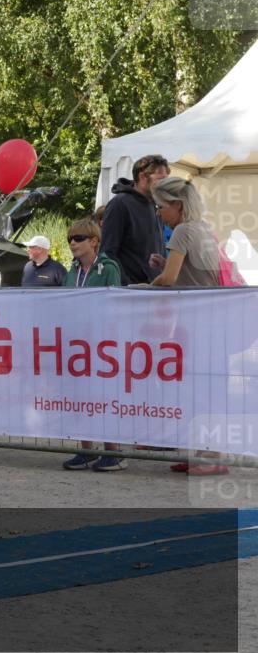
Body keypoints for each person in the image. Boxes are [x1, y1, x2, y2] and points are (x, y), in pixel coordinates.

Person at [147, 176, 229, 476]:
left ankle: (206, 457)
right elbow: (200, 275)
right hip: (214, 320)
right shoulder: (204, 229)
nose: (158, 212)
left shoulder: (182, 231)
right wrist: (164, 269)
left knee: (197, 389)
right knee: (208, 388)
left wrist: (146, 285)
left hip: (195, 323)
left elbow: (168, 279)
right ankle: (208, 455)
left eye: (161, 206)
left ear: (176, 205)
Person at [59, 219, 125, 472]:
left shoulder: (108, 268)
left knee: (105, 397)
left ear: (94, 241)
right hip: (77, 344)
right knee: (80, 398)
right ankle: (85, 450)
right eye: (70, 239)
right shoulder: (71, 271)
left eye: (78, 238)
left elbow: (115, 304)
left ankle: (114, 452)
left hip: (102, 345)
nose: (73, 243)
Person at [100, 154, 168, 285]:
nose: (165, 185)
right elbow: (107, 253)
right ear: (143, 176)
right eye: (161, 179)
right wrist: (128, 285)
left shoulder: (155, 205)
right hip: (130, 293)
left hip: (152, 289)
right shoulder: (119, 204)